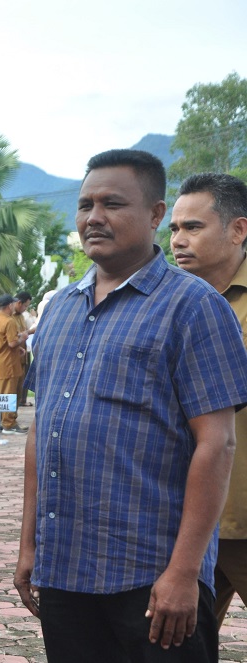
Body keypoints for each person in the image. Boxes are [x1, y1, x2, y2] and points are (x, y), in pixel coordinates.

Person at [14, 150, 247, 661]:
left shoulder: (194, 306)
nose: (94, 217)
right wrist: (30, 544)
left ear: (155, 215)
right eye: (85, 205)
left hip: (151, 578)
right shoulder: (60, 310)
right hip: (67, 568)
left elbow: (217, 443)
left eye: (113, 203)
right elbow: (41, 432)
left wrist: (185, 572)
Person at [169, 172, 247, 629]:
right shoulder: (170, 304)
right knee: (176, 640)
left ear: (238, 230)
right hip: (189, 520)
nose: (179, 240)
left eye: (193, 227)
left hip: (242, 511)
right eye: (175, 228)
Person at [0, 294, 27, 435]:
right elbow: (11, 343)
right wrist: (23, 336)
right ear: (10, 305)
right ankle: (9, 423)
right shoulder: (9, 321)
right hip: (8, 364)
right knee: (8, 394)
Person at [12, 291, 33, 405]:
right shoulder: (10, 316)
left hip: (21, 355)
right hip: (11, 357)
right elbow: (12, 336)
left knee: (20, 386)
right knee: (11, 388)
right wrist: (29, 331)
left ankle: (12, 417)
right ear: (19, 303)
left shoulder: (20, 316)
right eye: (25, 305)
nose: (25, 308)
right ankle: (7, 419)